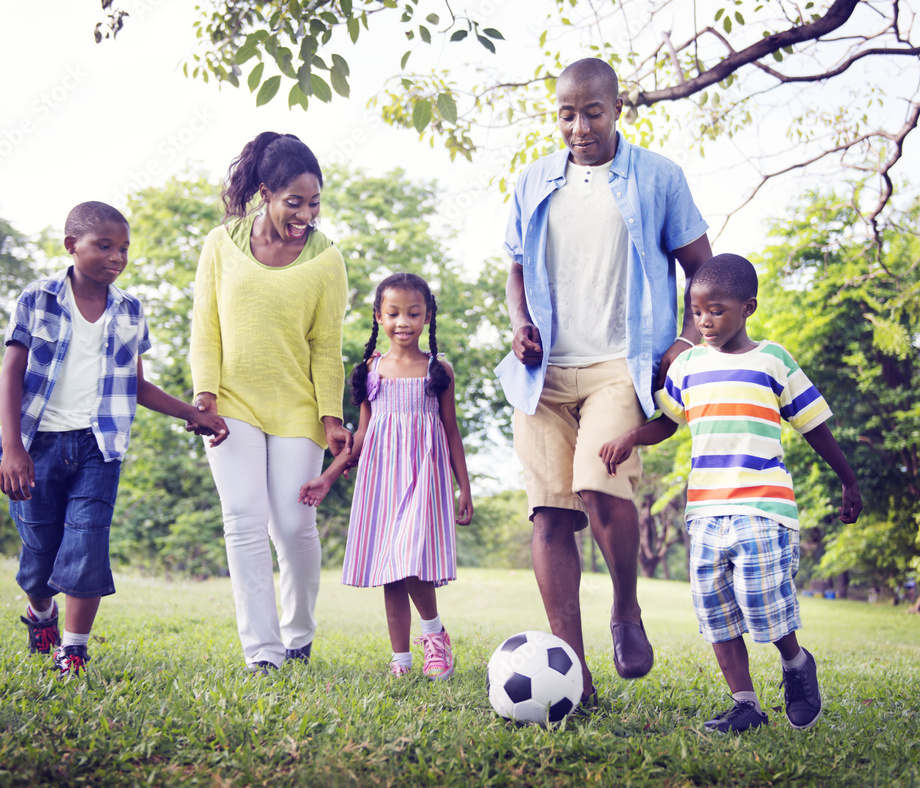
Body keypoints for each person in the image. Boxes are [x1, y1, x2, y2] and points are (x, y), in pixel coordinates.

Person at [495, 57, 713, 701]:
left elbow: (704, 267)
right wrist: (520, 321)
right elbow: (514, 266)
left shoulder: (658, 178)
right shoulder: (533, 180)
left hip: (623, 365)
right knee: (548, 514)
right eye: (567, 113)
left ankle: (625, 608)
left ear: (618, 109)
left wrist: (681, 342)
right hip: (544, 375)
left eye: (592, 111)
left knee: (598, 484)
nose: (579, 126)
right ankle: (574, 669)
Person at [600, 253, 863, 732]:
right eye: (697, 311)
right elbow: (667, 423)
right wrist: (630, 437)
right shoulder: (688, 367)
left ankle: (796, 663)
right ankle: (746, 705)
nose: (705, 321)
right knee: (717, 613)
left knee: (762, 599)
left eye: (716, 310)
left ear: (748, 307)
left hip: (764, 505)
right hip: (704, 510)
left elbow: (814, 426)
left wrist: (848, 479)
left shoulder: (773, 360)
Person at [0, 201, 229, 676]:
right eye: (104, 246)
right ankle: (42, 615)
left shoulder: (130, 310)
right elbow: (11, 373)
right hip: (37, 445)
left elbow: (135, 384)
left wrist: (191, 412)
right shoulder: (37, 298)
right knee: (38, 556)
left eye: (123, 248)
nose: (116, 257)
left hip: (100, 447)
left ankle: (73, 650)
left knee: (87, 544)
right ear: (70, 246)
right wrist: (13, 448)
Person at [190, 132, 352, 675]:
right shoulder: (220, 245)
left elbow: (326, 345)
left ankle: (298, 634)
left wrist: (332, 417)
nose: (305, 214)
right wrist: (204, 396)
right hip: (232, 401)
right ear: (265, 193)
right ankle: (263, 651)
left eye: (314, 203)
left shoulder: (327, 259)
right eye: (294, 202)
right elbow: (205, 329)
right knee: (243, 520)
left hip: (297, 408)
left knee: (292, 525)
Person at [298, 273, 473, 679]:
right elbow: (362, 434)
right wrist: (328, 476)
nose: (403, 322)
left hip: (425, 478)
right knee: (389, 570)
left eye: (413, 313)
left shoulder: (438, 370)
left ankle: (434, 637)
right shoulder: (370, 370)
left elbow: (450, 431)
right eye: (393, 313)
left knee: (409, 557)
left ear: (427, 316)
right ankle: (402, 659)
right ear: (379, 316)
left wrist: (463, 486)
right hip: (380, 479)